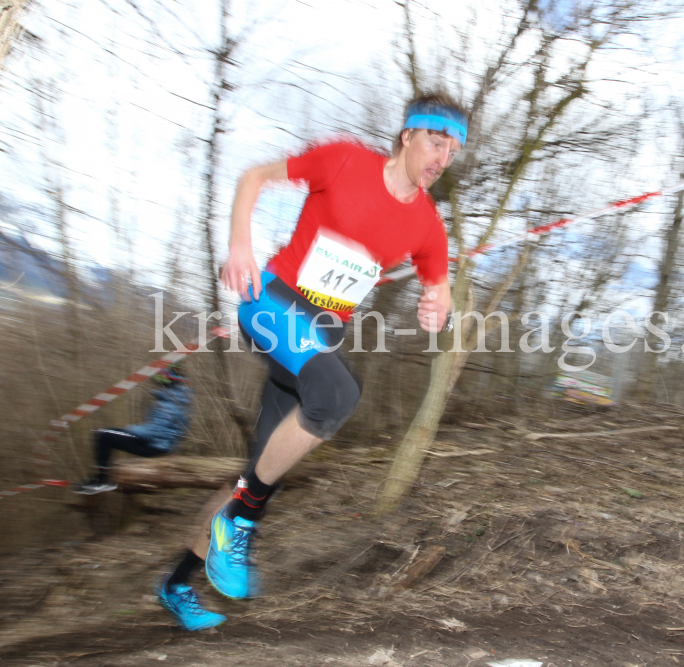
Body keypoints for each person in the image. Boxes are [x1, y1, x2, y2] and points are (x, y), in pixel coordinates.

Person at [155, 93, 464, 632]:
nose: (443, 158)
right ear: (407, 137)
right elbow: (253, 177)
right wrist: (240, 246)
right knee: (339, 395)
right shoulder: (344, 160)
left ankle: (177, 582)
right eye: (436, 143)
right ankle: (236, 524)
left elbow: (441, 283)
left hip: (314, 338)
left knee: (258, 478)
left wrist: (439, 301)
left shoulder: (428, 226)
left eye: (454, 151)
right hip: (270, 302)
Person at [73, 363, 191, 495]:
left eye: (161, 381)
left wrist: (131, 430)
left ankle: (103, 480)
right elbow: (181, 429)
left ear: (168, 382)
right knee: (109, 433)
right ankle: (101, 477)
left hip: (155, 447)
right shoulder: (177, 400)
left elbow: (155, 431)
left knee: (103, 435)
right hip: (161, 445)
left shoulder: (169, 404)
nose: (158, 384)